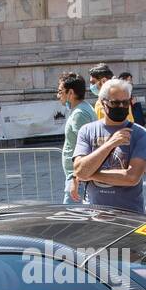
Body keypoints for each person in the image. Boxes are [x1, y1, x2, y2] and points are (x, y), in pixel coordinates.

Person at [72, 77, 146, 213]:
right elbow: (79, 170)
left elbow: (131, 177)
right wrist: (110, 144)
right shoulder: (87, 131)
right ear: (103, 104)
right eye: (115, 103)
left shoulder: (140, 133)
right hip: (95, 215)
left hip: (129, 216)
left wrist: (90, 175)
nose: (121, 107)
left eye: (125, 102)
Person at [57, 72, 96, 205]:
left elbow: (88, 147)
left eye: (60, 91)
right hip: (76, 175)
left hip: (77, 177)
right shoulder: (81, 109)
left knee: (71, 218)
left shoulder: (80, 114)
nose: (58, 96)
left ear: (71, 93)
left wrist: (75, 177)